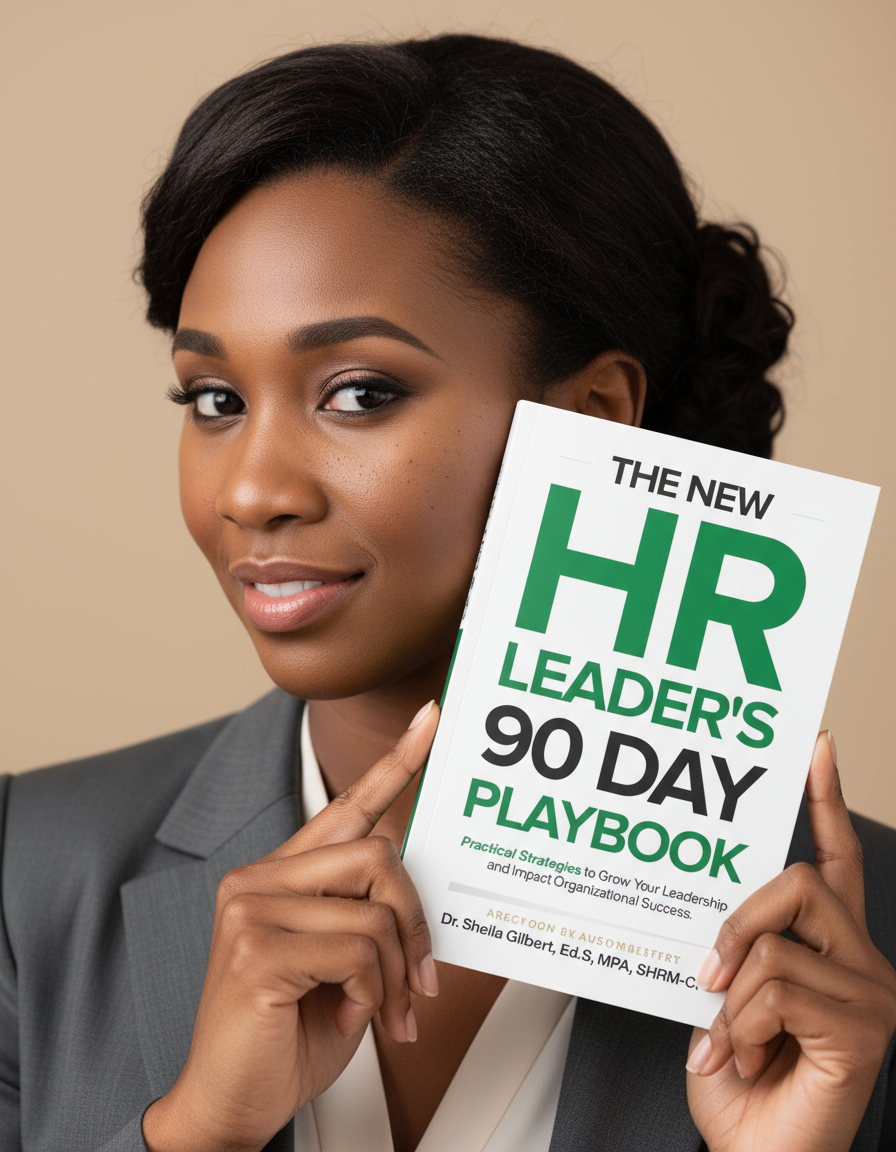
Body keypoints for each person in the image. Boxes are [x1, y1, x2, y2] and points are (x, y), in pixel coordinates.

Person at [1, 33, 894, 1152]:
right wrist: (197, 1132)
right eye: (214, 398)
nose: (252, 491)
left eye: (359, 392)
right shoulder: (25, 876)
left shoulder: (862, 964)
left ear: (591, 416)